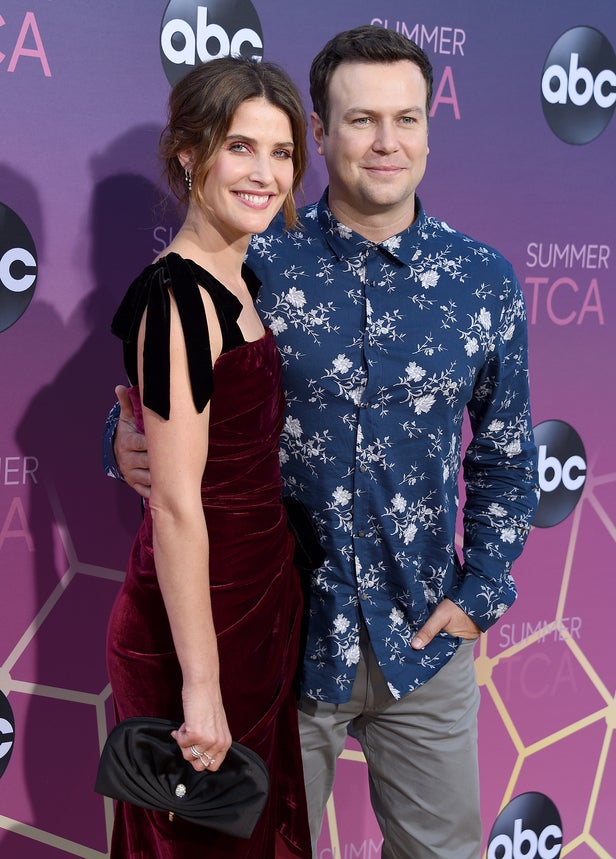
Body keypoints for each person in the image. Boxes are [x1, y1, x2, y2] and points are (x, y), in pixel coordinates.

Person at [105, 26, 539, 859]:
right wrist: (119, 434)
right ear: (323, 130)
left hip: (424, 639)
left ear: (428, 126)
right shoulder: (254, 251)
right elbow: (184, 390)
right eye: (362, 119)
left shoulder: (481, 279)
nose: (387, 142)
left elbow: (508, 450)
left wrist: (482, 589)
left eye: (407, 119)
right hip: (288, 638)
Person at [104, 56, 311, 859]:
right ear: (189, 153)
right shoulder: (180, 295)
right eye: (240, 147)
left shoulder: (239, 273)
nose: (265, 174)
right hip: (194, 630)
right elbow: (179, 503)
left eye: (283, 152)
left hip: (254, 608)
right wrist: (201, 687)